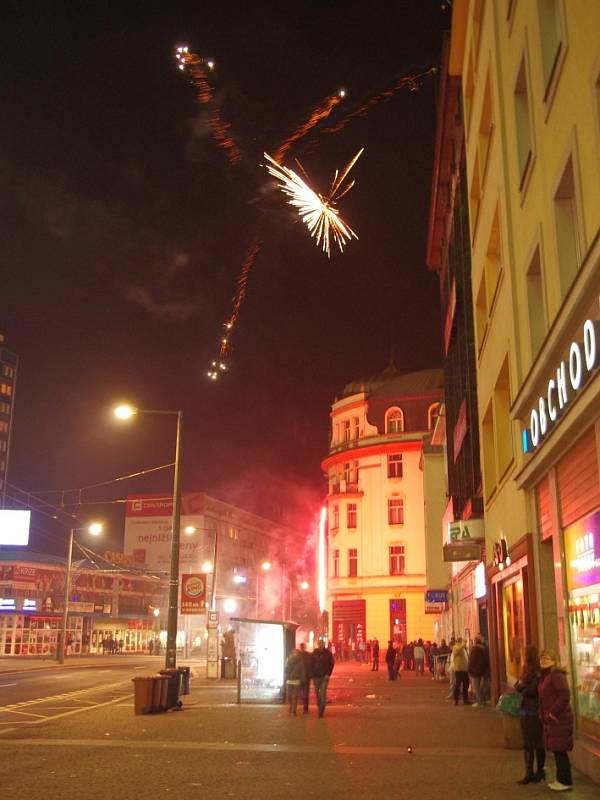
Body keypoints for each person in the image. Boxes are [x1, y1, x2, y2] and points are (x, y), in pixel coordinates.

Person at [538, 648, 574, 792]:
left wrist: (553, 713)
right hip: (552, 720)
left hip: (559, 719)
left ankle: (565, 781)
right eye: (541, 658)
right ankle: (561, 779)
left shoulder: (556, 675)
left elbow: (564, 694)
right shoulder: (546, 675)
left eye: (547, 658)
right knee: (558, 750)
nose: (543, 660)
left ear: (554, 660)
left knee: (560, 751)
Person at [514, 645, 545, 785]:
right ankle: (533, 772)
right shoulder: (527, 671)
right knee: (530, 742)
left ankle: (535, 772)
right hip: (527, 709)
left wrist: (522, 687)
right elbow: (517, 685)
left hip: (532, 710)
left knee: (533, 742)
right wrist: (521, 687)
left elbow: (530, 690)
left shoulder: (537, 673)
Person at [311, 639, 335, 717]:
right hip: (316, 676)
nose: (321, 645)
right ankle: (319, 708)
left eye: (322, 644)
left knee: (322, 693)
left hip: (324, 677)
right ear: (318, 644)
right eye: (319, 644)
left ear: (324, 645)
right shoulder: (314, 653)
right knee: (317, 694)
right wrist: (312, 673)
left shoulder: (328, 653)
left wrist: (328, 674)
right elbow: (310, 663)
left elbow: (331, 664)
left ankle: (321, 711)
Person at [468, 635, 490, 706]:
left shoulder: (474, 649)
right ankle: (483, 699)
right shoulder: (484, 649)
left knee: (476, 687)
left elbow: (472, 660)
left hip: (475, 670)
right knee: (482, 685)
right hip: (482, 670)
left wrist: (469, 668)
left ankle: (479, 701)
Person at [284, 647, 306, 716]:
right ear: (292, 653)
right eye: (294, 652)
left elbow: (303, 671)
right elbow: (285, 670)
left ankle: (294, 711)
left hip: (296, 680)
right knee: (288, 696)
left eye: (296, 653)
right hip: (289, 680)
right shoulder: (288, 660)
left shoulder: (300, 661)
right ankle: (291, 706)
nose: (295, 654)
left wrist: (303, 680)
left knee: (295, 696)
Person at [451, 637, 471, 705]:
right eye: (461, 640)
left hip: (464, 670)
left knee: (466, 685)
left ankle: (465, 699)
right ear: (458, 641)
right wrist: (463, 644)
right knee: (458, 685)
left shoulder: (463, 649)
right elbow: (457, 652)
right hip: (459, 669)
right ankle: (455, 700)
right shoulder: (456, 647)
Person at [298, 642, 312, 714]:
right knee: (305, 693)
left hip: (302, 677)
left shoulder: (298, 655)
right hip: (305, 677)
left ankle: (305, 707)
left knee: (303, 693)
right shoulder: (308, 655)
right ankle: (305, 708)